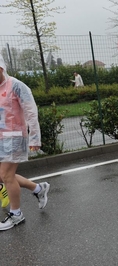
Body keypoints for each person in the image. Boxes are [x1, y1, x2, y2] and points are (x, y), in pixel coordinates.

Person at [0, 55, 50, 231]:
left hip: (14, 137)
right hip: (0, 138)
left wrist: (34, 136)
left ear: (2, 67)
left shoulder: (16, 86)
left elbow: (31, 111)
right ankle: (38, 189)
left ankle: (16, 214)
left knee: (6, 175)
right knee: (4, 175)